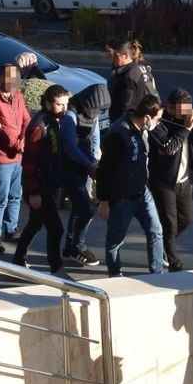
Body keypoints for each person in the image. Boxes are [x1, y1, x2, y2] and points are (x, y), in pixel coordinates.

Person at [95, 94, 166, 276]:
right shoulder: (119, 134)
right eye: (157, 119)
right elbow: (104, 170)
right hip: (121, 197)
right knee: (115, 241)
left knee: (156, 231)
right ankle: (115, 275)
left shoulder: (142, 128)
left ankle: (157, 273)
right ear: (147, 117)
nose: (159, 124)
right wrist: (103, 201)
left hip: (142, 191)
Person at [13, 84, 69, 275]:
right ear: (47, 103)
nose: (64, 108)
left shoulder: (52, 120)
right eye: (60, 104)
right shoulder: (39, 126)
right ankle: (56, 267)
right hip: (39, 187)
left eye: (66, 104)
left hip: (48, 184)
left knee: (35, 223)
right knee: (56, 229)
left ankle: (18, 259)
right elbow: (29, 162)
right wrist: (34, 192)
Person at [148, 88, 193, 272]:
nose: (185, 114)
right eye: (181, 110)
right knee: (169, 224)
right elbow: (169, 147)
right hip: (164, 181)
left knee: (187, 219)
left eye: (188, 109)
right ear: (170, 108)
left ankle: (162, 245)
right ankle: (174, 261)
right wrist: (186, 128)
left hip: (184, 181)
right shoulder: (160, 124)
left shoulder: (186, 121)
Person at [0, 63, 29, 253]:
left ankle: (11, 229)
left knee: (15, 196)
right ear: (0, 77)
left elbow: (26, 119)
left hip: (17, 157)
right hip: (1, 158)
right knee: (0, 198)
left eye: (15, 77)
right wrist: (16, 144)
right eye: (8, 77)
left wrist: (24, 138)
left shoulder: (17, 96)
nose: (13, 82)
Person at [60, 83, 107, 267]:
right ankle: (78, 246)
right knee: (86, 210)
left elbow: (94, 138)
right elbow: (70, 147)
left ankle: (70, 246)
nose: (96, 113)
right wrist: (89, 164)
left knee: (78, 208)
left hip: (85, 165)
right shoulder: (71, 116)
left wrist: (94, 159)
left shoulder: (92, 114)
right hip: (69, 167)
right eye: (95, 109)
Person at [107, 39, 157, 124]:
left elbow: (126, 105)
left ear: (126, 56)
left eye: (116, 56)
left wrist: (117, 125)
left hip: (131, 122)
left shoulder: (128, 75)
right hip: (146, 117)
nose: (113, 59)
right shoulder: (140, 68)